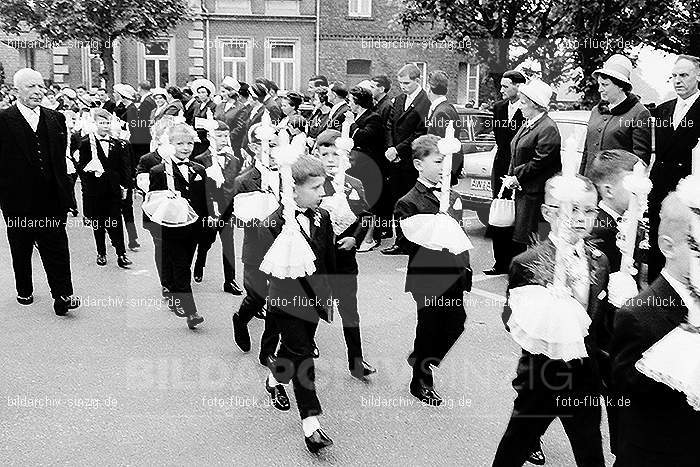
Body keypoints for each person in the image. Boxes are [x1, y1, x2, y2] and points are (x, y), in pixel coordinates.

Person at [492, 174, 608, 467]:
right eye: (570, 210)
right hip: (541, 376)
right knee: (515, 446)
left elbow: (598, 321)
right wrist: (542, 314)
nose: (580, 218)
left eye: (589, 210)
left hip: (584, 377)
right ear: (547, 213)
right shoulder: (527, 263)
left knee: (591, 451)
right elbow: (511, 318)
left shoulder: (599, 260)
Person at [611, 192, 700, 466]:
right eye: (697, 247)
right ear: (668, 246)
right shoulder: (639, 315)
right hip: (659, 453)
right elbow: (621, 399)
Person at [262, 155, 335, 454]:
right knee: (303, 355)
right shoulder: (275, 222)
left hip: (314, 299)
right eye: (316, 187)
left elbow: (327, 259)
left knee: (292, 352)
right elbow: (270, 265)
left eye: (323, 186)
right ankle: (311, 425)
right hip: (286, 300)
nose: (323, 193)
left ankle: (272, 378)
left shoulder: (323, 217)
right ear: (293, 190)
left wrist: (332, 293)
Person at [394, 135, 472, 405]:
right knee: (429, 326)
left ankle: (420, 357)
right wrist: (431, 229)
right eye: (438, 161)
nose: (443, 167)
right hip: (428, 274)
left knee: (456, 323)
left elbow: (460, 236)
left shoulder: (451, 195)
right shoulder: (409, 201)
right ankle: (421, 379)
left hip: (455, 272)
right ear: (418, 164)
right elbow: (404, 241)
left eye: (447, 162)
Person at [0, 68, 80, 315]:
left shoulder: (56, 118)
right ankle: (24, 289)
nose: (38, 91)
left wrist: (65, 191)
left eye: (41, 87)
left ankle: (63, 295)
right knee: (21, 248)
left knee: (56, 247)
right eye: (30, 87)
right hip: (17, 200)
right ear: (16, 90)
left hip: (51, 198)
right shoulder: (3, 120)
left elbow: (60, 159)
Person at [586, 148, 644, 456]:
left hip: (621, 328)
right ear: (608, 189)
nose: (643, 192)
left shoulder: (632, 223)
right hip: (602, 331)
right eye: (636, 184)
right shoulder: (598, 229)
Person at [315, 130, 377, 379]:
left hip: (344, 258)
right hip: (317, 259)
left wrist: (356, 237)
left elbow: (366, 215)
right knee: (310, 307)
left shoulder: (354, 184)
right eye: (325, 154)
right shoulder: (313, 183)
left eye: (336, 154)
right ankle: (300, 347)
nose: (331, 159)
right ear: (316, 155)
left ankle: (357, 360)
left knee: (349, 310)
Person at [145, 123, 209, 329]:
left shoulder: (198, 169)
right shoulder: (159, 171)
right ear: (169, 144)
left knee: (182, 265)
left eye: (189, 143)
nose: (185, 147)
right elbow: (152, 202)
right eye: (180, 143)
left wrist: (206, 224)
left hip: (193, 227)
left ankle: (173, 292)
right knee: (181, 266)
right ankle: (191, 312)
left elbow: (203, 201)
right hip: (171, 227)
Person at [648, 54, 700, 281]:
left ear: (698, 76)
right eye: (674, 76)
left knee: (684, 245)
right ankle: (652, 293)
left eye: (684, 75)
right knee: (658, 243)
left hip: (688, 190)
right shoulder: (663, 109)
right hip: (660, 187)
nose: (678, 80)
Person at [231, 128, 281, 361]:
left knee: (280, 300)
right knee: (258, 295)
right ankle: (241, 319)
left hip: (284, 247)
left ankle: (268, 351)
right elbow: (237, 217)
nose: (273, 150)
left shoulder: (290, 176)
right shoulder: (244, 180)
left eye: (276, 144)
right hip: (256, 248)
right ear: (253, 147)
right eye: (268, 145)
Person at [502, 79, 562, 255]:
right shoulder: (529, 123)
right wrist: (511, 177)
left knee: (535, 240)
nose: (520, 106)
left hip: (537, 196)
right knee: (524, 239)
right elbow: (515, 151)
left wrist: (516, 176)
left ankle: (534, 277)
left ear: (535, 105)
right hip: (525, 192)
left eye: (523, 102)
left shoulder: (547, 128)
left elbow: (540, 161)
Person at [382, 63, 430, 255]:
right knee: (397, 200)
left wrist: (398, 150)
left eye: (407, 83)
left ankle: (412, 242)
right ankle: (400, 241)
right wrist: (390, 148)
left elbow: (420, 132)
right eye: (400, 82)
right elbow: (389, 125)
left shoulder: (425, 102)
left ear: (417, 80)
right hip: (394, 158)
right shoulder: (399, 99)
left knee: (411, 202)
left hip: (411, 159)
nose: (403, 86)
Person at [76, 109, 133, 268]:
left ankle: (121, 254)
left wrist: (125, 186)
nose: (105, 126)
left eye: (107, 123)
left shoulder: (117, 143)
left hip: (113, 189)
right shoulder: (86, 142)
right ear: (94, 124)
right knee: (98, 222)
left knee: (116, 221)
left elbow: (124, 167)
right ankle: (101, 252)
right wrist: (89, 169)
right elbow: (80, 166)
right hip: (95, 189)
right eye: (101, 123)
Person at [193, 120, 244, 295]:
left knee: (228, 244)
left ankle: (230, 281)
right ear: (209, 137)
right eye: (219, 136)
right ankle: (200, 262)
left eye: (225, 135)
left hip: (227, 208)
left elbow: (236, 185)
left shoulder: (234, 159)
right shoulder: (200, 160)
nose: (223, 139)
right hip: (208, 210)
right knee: (206, 241)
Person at [580, 54, 651, 175]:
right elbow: (586, 151)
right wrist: (582, 178)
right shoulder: (596, 110)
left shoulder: (639, 113)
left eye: (605, 85)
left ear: (621, 86)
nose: (600, 89)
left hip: (616, 186)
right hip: (591, 182)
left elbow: (640, 160)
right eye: (599, 84)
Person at [485, 70, 526, 276]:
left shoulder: (527, 109)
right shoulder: (499, 107)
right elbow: (499, 139)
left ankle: (515, 262)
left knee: (516, 216)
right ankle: (499, 262)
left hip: (518, 167)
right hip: (501, 165)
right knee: (500, 212)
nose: (501, 90)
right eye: (501, 86)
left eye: (506, 86)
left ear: (518, 86)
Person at [343, 87, 385, 252]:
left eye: (351, 101)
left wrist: (352, 123)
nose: (349, 104)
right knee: (358, 200)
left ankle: (370, 238)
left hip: (371, 166)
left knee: (370, 201)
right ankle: (358, 234)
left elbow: (363, 136)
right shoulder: (357, 117)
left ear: (358, 102)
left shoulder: (373, 118)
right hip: (357, 164)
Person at [425, 70, 463, 186]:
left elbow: (445, 146)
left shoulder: (441, 112)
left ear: (428, 87)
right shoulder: (448, 108)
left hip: (442, 173)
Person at [190, 79, 218, 157]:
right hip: (197, 137)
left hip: (206, 136)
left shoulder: (213, 106)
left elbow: (213, 121)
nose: (201, 95)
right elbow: (193, 120)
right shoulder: (197, 106)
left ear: (208, 93)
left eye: (203, 92)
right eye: (199, 93)